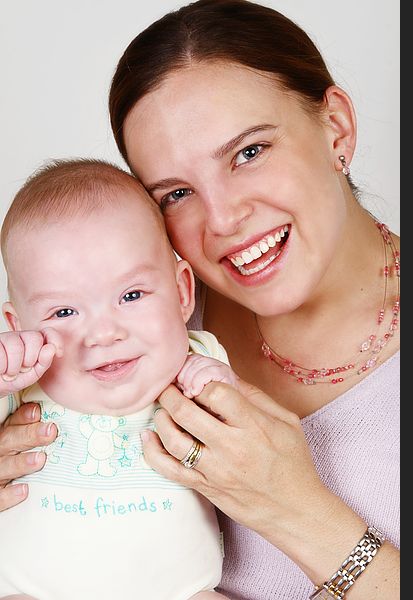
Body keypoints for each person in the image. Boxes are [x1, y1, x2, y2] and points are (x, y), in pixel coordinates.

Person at [0, 1, 400, 598]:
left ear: (336, 127)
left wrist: (296, 510)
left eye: (249, 152)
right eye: (177, 192)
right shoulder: (137, 316)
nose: (224, 219)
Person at [0, 158, 234, 600]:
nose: (105, 334)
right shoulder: (21, 386)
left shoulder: (196, 362)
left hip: (180, 592)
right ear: (18, 325)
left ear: (183, 293)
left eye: (131, 295)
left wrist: (217, 385)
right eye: (63, 312)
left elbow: (244, 438)